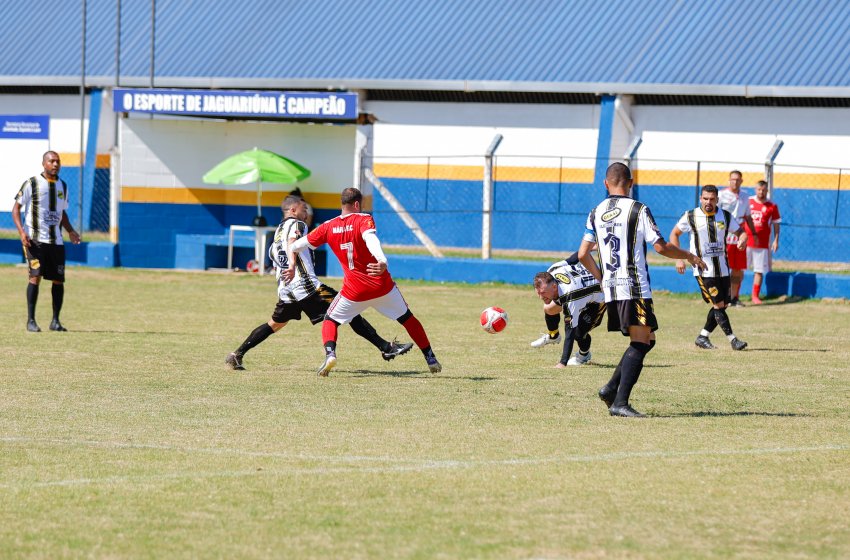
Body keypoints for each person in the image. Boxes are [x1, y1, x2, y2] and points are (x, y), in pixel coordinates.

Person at [225, 195, 412, 370]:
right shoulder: (297, 224)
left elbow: (275, 256)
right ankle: (385, 347)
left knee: (274, 324)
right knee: (350, 309)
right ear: (292, 209)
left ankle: (237, 354)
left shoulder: (276, 233)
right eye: (303, 209)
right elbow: (293, 242)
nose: (306, 213)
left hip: (286, 289)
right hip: (307, 286)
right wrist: (292, 265)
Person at [578, 162, 706, 418]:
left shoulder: (595, 212)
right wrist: (689, 255)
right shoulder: (638, 209)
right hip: (634, 287)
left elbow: (583, 253)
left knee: (648, 340)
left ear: (606, 183)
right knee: (640, 341)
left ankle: (611, 388)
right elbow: (660, 247)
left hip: (613, 289)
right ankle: (619, 403)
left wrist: (602, 278)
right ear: (632, 182)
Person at [286, 187, 441, 376]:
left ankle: (330, 354)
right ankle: (430, 357)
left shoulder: (328, 226)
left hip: (354, 291)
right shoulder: (363, 219)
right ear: (357, 204)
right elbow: (370, 238)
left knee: (330, 320)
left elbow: (296, 246)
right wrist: (382, 260)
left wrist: (292, 264)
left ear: (342, 203)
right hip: (381, 286)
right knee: (408, 319)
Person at [670, 185, 749, 351]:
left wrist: (742, 239)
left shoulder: (725, 216)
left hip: (723, 269)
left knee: (722, 305)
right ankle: (733, 340)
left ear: (717, 200)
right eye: (705, 198)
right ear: (700, 198)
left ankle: (702, 337)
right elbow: (674, 234)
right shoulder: (690, 216)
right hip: (704, 270)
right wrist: (679, 258)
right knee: (718, 304)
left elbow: (741, 232)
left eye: (712, 199)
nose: (708, 202)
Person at [12, 151, 81, 332]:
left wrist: (71, 231)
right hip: (35, 240)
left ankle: (55, 321)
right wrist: (21, 232)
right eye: (51, 161)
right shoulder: (32, 183)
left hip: (56, 242)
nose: (55, 164)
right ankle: (31, 321)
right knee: (35, 277)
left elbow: (62, 213)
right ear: (44, 163)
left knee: (58, 280)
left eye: (58, 161)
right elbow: (16, 209)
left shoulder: (63, 186)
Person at [532, 252, 606, 368]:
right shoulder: (553, 270)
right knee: (548, 309)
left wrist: (562, 363)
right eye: (538, 293)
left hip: (598, 300)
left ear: (554, 286)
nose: (541, 297)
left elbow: (569, 331)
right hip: (578, 292)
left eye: (543, 293)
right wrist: (590, 247)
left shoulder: (570, 296)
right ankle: (554, 335)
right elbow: (573, 259)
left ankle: (584, 355)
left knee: (578, 333)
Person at [718, 170, 758, 306]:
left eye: (737, 179)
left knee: (738, 268)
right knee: (723, 266)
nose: (735, 182)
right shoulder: (721, 195)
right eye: (732, 179)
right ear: (729, 180)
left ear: (741, 181)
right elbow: (714, 215)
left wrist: (754, 233)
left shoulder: (745, 196)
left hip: (740, 235)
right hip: (725, 234)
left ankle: (734, 297)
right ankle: (721, 297)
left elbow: (748, 216)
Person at [745, 180, 781, 305]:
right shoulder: (748, 201)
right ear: (755, 190)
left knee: (758, 271)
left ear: (767, 191)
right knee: (737, 269)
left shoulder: (772, 206)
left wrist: (776, 240)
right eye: (759, 189)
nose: (761, 192)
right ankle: (733, 295)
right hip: (745, 242)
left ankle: (755, 296)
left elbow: (776, 223)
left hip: (762, 244)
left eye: (763, 190)